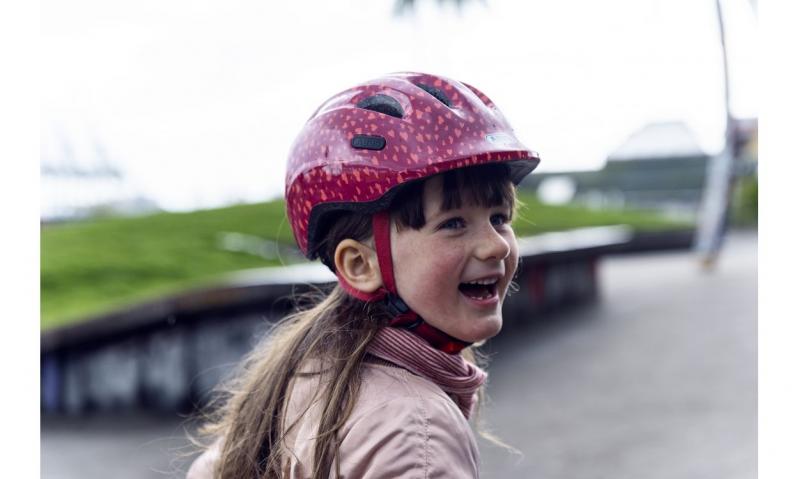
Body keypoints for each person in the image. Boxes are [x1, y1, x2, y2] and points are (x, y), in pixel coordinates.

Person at [187, 72, 540, 479]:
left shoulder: (307, 369)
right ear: (360, 265)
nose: (496, 246)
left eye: (499, 218)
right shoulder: (416, 437)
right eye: (453, 223)